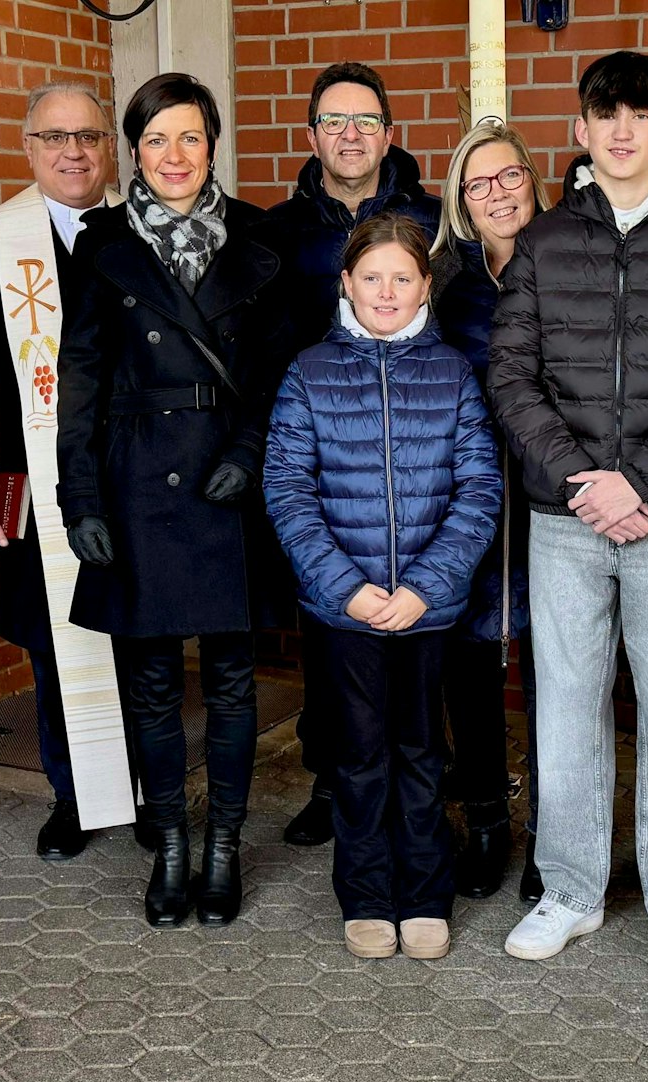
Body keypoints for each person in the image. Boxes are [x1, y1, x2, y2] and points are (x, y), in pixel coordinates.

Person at [487, 50, 648, 990]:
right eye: (607, 116)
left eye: (642, 115)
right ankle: (571, 888)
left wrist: (636, 482)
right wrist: (580, 480)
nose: (624, 131)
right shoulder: (548, 241)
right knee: (565, 706)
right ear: (584, 129)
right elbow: (512, 376)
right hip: (566, 520)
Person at [56, 72, 297, 929]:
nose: (173, 155)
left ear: (213, 145)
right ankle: (170, 845)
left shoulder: (259, 240)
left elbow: (278, 373)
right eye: (155, 140)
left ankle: (224, 844)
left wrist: (249, 449)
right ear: (135, 152)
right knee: (152, 682)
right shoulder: (102, 244)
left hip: (226, 481)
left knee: (233, 681)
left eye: (189, 137)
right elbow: (79, 379)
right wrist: (77, 494)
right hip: (135, 481)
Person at [264, 214, 502, 960]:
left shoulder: (453, 372)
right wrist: (346, 589)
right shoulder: (309, 372)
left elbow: (480, 486)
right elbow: (288, 490)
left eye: (404, 277)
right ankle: (367, 892)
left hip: (428, 611)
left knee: (423, 750)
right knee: (359, 754)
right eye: (372, 277)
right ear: (346, 284)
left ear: (427, 285)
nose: (387, 290)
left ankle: (425, 893)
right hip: (347, 611)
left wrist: (427, 587)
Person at [0, 81, 126, 862]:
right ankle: (74, 797)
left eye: (87, 135)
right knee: (57, 647)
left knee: (139, 644)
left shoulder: (143, 228)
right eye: (54, 137)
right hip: (40, 485)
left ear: (110, 144)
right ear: (28, 146)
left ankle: (146, 795)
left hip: (133, 483)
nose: (73, 152)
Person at [266, 61, 442, 849]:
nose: (349, 134)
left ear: (389, 134)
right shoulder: (275, 231)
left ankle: (414, 798)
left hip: (412, 456)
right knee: (330, 639)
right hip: (316, 457)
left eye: (365, 120)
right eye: (334, 121)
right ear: (312, 136)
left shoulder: (431, 220)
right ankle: (332, 781)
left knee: (411, 662)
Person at [429, 122, 549, 902]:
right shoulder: (442, 279)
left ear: (534, 184)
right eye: (479, 184)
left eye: (510, 178)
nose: (497, 194)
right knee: (469, 669)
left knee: (558, 676)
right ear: (460, 202)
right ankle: (484, 823)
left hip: (554, 497)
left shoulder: (571, 257)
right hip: (467, 498)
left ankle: (555, 834)